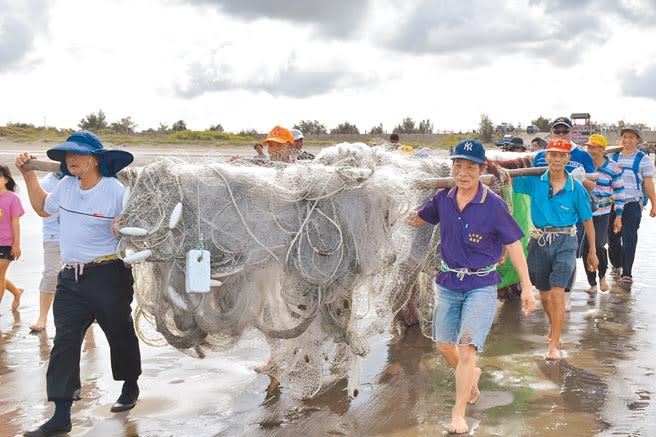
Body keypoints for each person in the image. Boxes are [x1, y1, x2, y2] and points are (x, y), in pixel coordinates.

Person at [17, 130, 142, 436]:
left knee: (119, 331)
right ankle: (61, 414)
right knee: (64, 342)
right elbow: (43, 208)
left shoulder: (115, 191)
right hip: (70, 277)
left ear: (96, 159)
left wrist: (123, 227)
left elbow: (138, 227)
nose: (71, 159)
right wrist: (28, 176)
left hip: (108, 274)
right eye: (67, 155)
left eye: (78, 154)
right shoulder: (66, 186)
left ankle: (129, 385)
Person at [408, 139, 535, 435]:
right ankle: (471, 377)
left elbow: (514, 244)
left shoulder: (493, 205)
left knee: (466, 348)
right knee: (443, 344)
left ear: (480, 170)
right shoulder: (443, 199)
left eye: (469, 167)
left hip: (480, 284)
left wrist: (527, 286)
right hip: (449, 282)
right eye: (457, 166)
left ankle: (458, 412)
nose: (462, 172)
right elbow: (417, 219)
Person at [513, 137, 598, 360]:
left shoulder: (576, 187)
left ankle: (554, 344)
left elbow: (588, 221)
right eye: (553, 154)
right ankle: (554, 327)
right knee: (544, 293)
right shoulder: (535, 181)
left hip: (566, 240)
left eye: (562, 155)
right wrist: (498, 171)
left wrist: (592, 252)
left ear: (568, 158)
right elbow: (506, 181)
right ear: (547, 157)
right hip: (539, 241)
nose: (557, 159)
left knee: (558, 293)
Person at [533, 117, 595, 311]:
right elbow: (532, 182)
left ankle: (565, 294)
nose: (561, 134)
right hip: (545, 216)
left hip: (571, 215)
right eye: (557, 131)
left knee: (568, 256)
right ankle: (548, 291)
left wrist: (581, 179)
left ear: (571, 133)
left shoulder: (582, 155)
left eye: (564, 131)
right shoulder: (540, 156)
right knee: (542, 262)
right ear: (551, 134)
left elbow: (593, 185)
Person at [607, 127, 656, 284]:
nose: (627, 140)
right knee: (612, 240)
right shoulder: (612, 156)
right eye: (625, 137)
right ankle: (617, 265)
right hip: (612, 205)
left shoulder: (644, 159)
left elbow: (648, 183)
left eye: (631, 137)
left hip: (632, 204)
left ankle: (627, 273)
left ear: (637, 140)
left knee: (629, 239)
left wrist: (654, 204)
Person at [580, 134, 624, 294]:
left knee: (597, 246)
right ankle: (592, 284)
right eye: (589, 147)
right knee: (585, 249)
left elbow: (619, 192)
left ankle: (603, 277)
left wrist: (619, 215)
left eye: (595, 147)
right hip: (584, 213)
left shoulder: (613, 168)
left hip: (603, 213)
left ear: (603, 149)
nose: (591, 150)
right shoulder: (583, 166)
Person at [30, 172, 65, 332]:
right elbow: (42, 209)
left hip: (80, 236)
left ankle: (89, 316)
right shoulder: (48, 182)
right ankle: (42, 317)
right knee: (51, 274)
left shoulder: (82, 177)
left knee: (85, 274)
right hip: (54, 235)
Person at [0, 164, 24, 312]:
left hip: (6, 242)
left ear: (6, 179)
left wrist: (16, 244)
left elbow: (15, 222)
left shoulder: (12, 198)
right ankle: (16, 292)